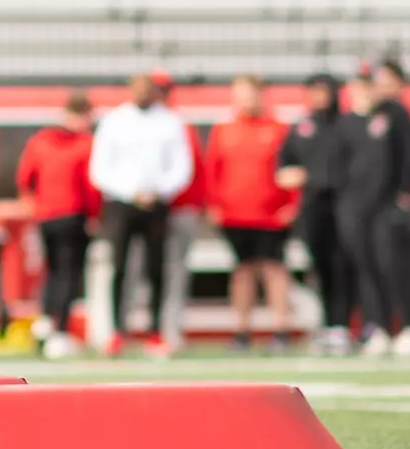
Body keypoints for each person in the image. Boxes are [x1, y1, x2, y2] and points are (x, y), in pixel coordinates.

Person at [88, 72, 194, 357]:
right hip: (121, 203)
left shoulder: (170, 122)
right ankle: (115, 331)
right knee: (119, 268)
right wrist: (130, 192)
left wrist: (158, 190)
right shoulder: (114, 121)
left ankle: (156, 331)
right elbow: (100, 168)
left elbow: (181, 166)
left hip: (157, 203)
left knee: (156, 268)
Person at [338, 58, 410, 357]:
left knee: (394, 265)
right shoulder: (347, 121)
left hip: (387, 205)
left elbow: (409, 155)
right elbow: (340, 165)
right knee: (366, 267)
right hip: (356, 207)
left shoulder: (395, 114)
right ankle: (379, 327)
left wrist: (404, 193)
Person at [204, 75, 296, 352]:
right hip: (235, 213)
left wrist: (292, 204)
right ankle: (242, 330)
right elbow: (213, 170)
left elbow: (291, 170)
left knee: (273, 269)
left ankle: (280, 329)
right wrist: (214, 204)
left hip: (271, 214)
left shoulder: (279, 129)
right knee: (242, 270)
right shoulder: (225, 130)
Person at [16, 90, 98, 359]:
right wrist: (95, 215)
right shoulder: (85, 144)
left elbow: (25, 177)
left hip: (45, 215)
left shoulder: (40, 141)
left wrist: (33, 202)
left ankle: (45, 321)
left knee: (52, 270)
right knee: (69, 273)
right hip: (72, 214)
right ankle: (60, 331)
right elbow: (90, 186)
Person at [277, 73, 355, 355]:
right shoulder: (303, 126)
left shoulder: (347, 125)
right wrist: (289, 177)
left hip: (344, 203)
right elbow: (284, 164)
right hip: (313, 205)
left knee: (344, 265)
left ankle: (343, 325)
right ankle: (327, 325)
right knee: (320, 267)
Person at [150, 69, 205, 350]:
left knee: (174, 271)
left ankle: (170, 331)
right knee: (134, 270)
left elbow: (194, 170)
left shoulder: (180, 126)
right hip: (144, 210)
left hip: (177, 208)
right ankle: (124, 333)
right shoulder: (131, 123)